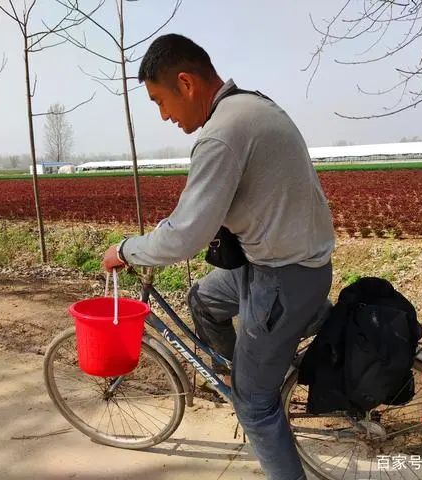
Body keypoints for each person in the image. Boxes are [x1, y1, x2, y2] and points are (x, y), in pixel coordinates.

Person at [102, 33, 335, 480]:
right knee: (204, 300)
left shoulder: (222, 135)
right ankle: (245, 371)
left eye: (160, 101)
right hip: (293, 264)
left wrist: (126, 250)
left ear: (186, 83)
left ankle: (257, 388)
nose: (164, 116)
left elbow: (184, 237)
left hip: (281, 278)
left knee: (255, 405)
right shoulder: (251, 105)